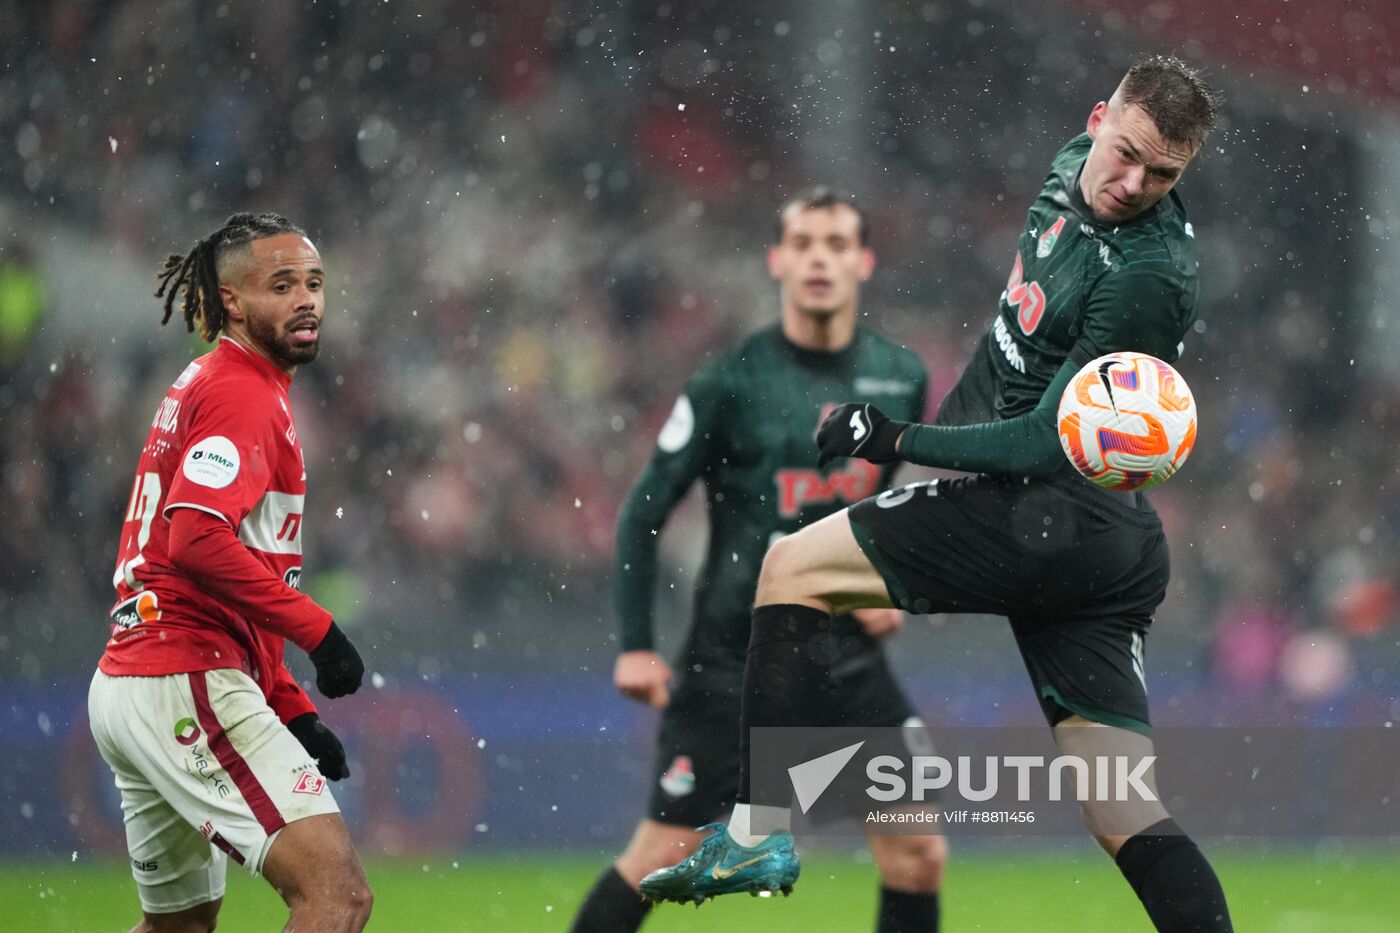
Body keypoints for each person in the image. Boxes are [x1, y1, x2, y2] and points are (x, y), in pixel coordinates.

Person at [640, 57, 1234, 932]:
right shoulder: (1070, 166)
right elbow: (1011, 344)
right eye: (1129, 154)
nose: (1135, 183)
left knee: (792, 567)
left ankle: (758, 830)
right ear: (1096, 120)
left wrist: (897, 439)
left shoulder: (1148, 275)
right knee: (1122, 807)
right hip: (1106, 542)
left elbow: (1044, 439)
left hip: (1045, 511)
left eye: (1164, 174)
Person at [571, 188, 948, 932]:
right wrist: (637, 644)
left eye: (836, 244)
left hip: (845, 660)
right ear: (777, 260)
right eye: (803, 243)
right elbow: (645, 509)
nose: (819, 259)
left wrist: (887, 586)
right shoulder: (729, 381)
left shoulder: (901, 375)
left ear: (864, 262)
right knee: (660, 856)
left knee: (917, 853)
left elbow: (890, 507)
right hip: (735, 662)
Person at [88, 213, 372, 933]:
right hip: (184, 672)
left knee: (178, 926)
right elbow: (196, 541)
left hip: (138, 674)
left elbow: (223, 559)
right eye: (282, 285)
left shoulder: (215, 380)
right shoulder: (243, 391)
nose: (306, 300)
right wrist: (319, 631)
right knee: (335, 896)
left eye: (314, 283)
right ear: (233, 301)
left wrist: (289, 704)